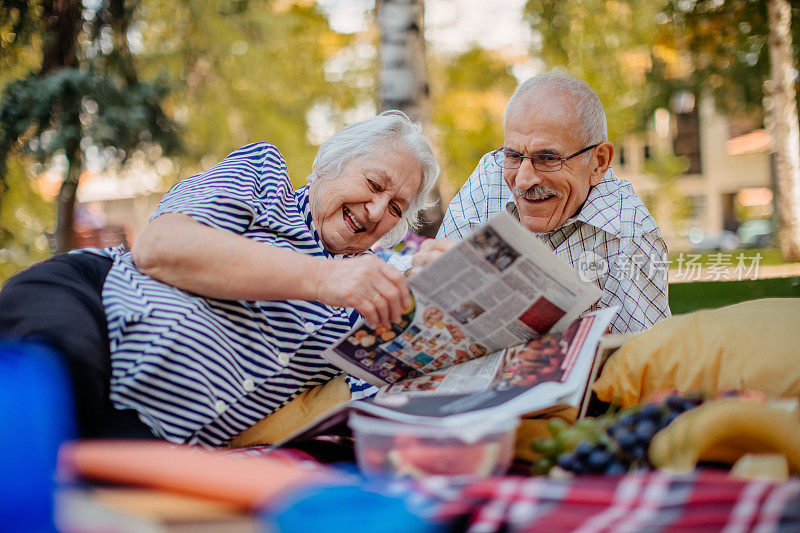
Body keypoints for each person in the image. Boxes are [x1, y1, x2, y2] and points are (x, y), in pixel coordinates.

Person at [0, 111, 439, 446]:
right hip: (97, 311)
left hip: (155, 428)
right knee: (46, 394)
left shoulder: (367, 301)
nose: (379, 210)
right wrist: (327, 279)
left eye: (397, 208)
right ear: (331, 164)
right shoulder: (263, 176)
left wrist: (433, 284)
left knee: (88, 483)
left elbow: (403, 381)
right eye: (374, 183)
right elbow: (161, 247)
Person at [415, 72, 670, 334]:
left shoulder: (633, 234)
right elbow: (430, 308)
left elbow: (646, 361)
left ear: (599, 162)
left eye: (548, 158)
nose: (523, 181)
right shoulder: (488, 178)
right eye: (513, 155)